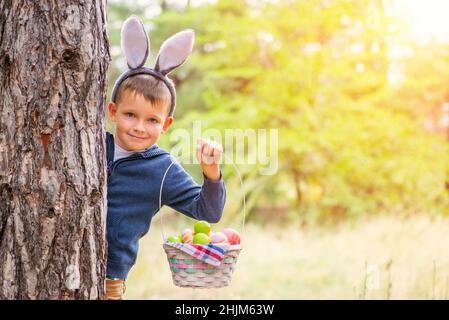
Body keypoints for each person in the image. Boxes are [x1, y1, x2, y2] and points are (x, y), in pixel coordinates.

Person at [104, 16, 225, 300]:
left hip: (110, 272)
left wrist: (211, 173)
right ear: (113, 111)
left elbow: (207, 212)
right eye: (130, 114)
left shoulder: (162, 169)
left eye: (152, 120)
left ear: (166, 125)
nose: (139, 127)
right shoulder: (93, 146)